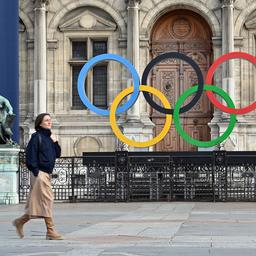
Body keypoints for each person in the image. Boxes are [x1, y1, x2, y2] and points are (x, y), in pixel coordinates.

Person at [12, 113, 63, 240]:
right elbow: (30, 156)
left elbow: (58, 154)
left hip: (47, 173)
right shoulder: (36, 137)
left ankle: (20, 222)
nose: (49, 122)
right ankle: (50, 231)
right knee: (47, 200)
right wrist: (36, 171)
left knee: (38, 203)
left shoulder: (49, 137)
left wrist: (55, 142)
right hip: (40, 173)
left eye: (50, 120)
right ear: (40, 123)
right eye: (46, 120)